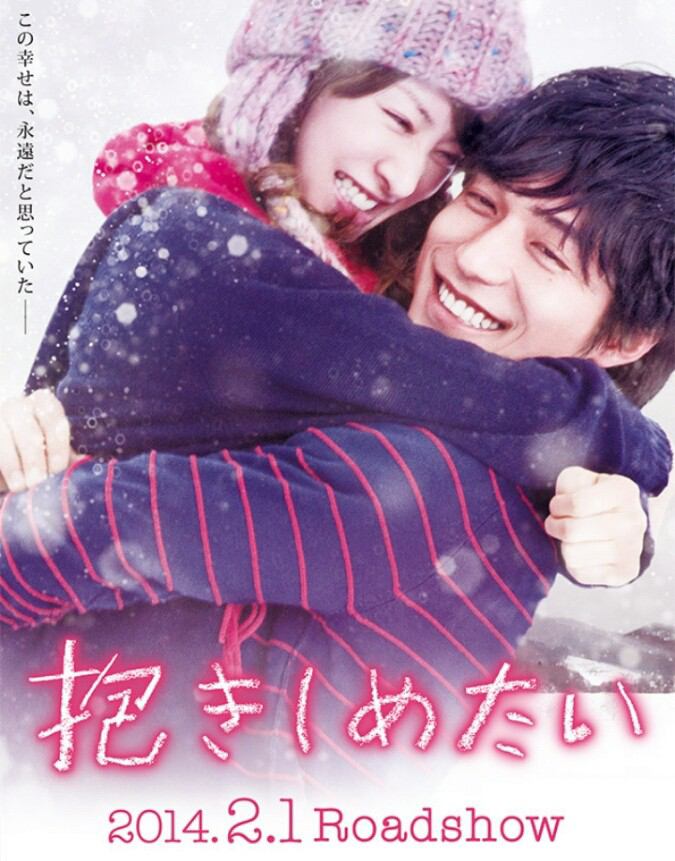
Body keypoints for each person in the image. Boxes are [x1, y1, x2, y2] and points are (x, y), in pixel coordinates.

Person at [0, 68, 672, 788]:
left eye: (548, 253)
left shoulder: (416, 484)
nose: (475, 258)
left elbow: (68, 536)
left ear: (625, 339)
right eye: (479, 201)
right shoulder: (466, 443)